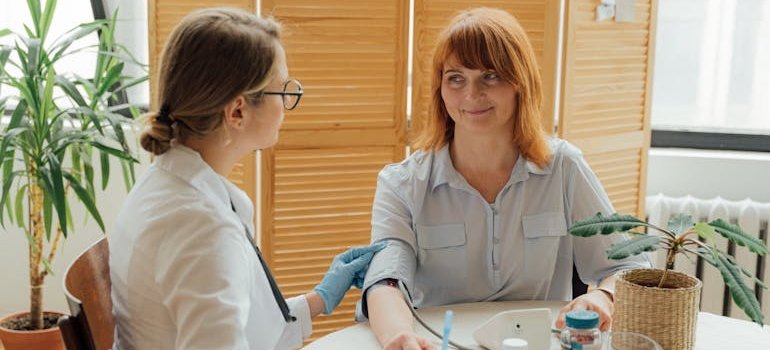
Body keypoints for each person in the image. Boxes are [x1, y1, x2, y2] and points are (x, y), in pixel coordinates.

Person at [360, 7, 651, 349]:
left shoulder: (564, 168)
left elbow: (630, 265)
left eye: (490, 76)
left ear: (520, 82)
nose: (471, 94)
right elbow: (385, 282)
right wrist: (399, 336)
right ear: (440, 87)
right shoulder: (401, 184)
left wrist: (602, 298)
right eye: (456, 77)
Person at [109, 8, 384, 350]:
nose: (287, 104)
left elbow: (233, 327)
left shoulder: (165, 184)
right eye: (282, 91)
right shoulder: (202, 228)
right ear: (237, 111)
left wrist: (319, 299)